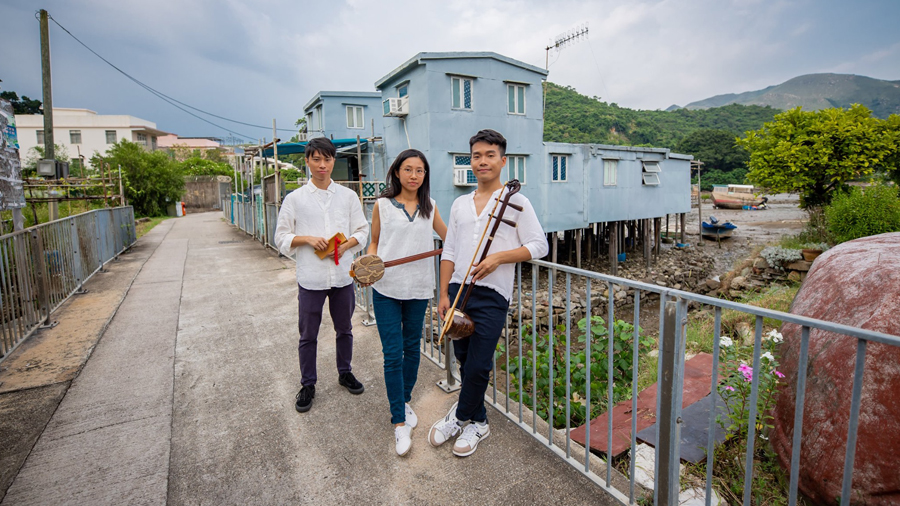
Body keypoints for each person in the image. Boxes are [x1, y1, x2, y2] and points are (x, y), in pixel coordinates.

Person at [428, 129, 548, 457]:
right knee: (464, 359)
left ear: (502, 161)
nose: (483, 161)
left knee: (479, 364)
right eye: (477, 156)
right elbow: (449, 248)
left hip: (493, 294)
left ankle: (458, 416)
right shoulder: (459, 203)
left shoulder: (517, 201)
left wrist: (498, 258)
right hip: (458, 290)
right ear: (471, 160)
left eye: (490, 155)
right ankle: (479, 421)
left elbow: (540, 245)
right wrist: (443, 294)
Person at [274, 137, 369, 413]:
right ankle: (308, 384)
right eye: (316, 159)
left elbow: (362, 231)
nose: (322, 165)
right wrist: (305, 239)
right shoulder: (295, 199)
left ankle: (345, 372)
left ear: (333, 161)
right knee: (308, 335)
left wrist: (344, 245)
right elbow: (280, 237)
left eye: (327, 159)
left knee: (345, 329)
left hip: (342, 277)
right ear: (307, 161)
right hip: (311, 279)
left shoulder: (348, 197)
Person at [361, 149, 447, 456]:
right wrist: (369, 266)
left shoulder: (430, 206)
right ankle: (399, 421)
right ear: (397, 172)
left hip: (419, 288)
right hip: (385, 287)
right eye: (408, 169)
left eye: (420, 171)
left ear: (425, 175)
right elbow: (374, 241)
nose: (414, 175)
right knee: (392, 353)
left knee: (413, 349)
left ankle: (404, 399)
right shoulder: (382, 205)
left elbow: (448, 239)